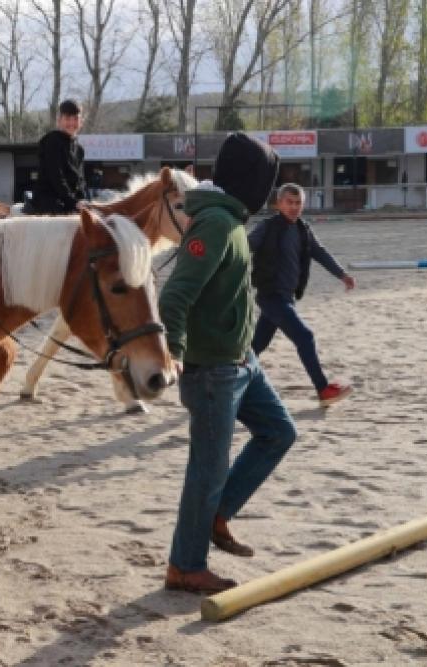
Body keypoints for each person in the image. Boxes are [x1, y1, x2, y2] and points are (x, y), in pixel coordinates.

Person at [158, 133, 298, 595]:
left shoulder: (233, 218)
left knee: (279, 431)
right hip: (213, 370)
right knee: (208, 468)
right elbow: (175, 295)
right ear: (249, 180)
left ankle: (218, 514)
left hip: (242, 360)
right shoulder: (216, 224)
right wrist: (173, 353)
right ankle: (185, 566)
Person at [248, 183, 355, 406]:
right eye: (289, 202)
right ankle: (323, 389)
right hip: (270, 295)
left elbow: (320, 253)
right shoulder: (266, 228)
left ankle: (227, 382)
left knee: (256, 346)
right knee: (304, 337)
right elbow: (244, 246)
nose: (294, 207)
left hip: (286, 297)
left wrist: (342, 274)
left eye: (298, 203)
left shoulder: (303, 230)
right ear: (279, 204)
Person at [29, 99, 86, 215]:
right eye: (67, 119)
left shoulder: (79, 149)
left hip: (69, 202)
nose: (71, 123)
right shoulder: (52, 141)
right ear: (59, 121)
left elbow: (80, 180)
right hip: (49, 200)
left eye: (75, 119)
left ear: (81, 122)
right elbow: (56, 177)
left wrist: (82, 200)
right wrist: (73, 202)